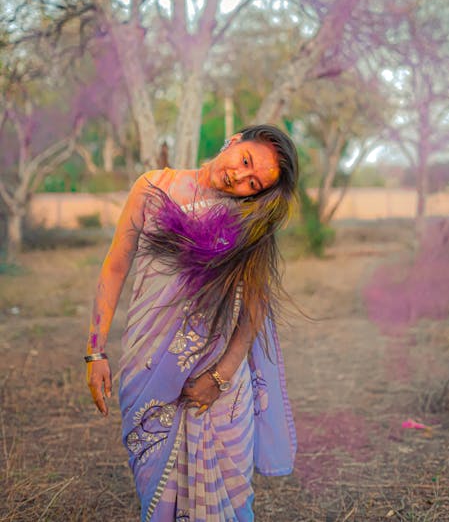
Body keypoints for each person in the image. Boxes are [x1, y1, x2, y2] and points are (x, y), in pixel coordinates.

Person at [85, 125, 299, 522]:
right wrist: (95, 351)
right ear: (234, 140)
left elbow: (253, 309)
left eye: (254, 183)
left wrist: (219, 377)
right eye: (246, 161)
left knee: (227, 500)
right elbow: (115, 267)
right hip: (148, 368)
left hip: (218, 390)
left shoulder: (247, 222)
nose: (240, 178)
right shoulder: (153, 187)